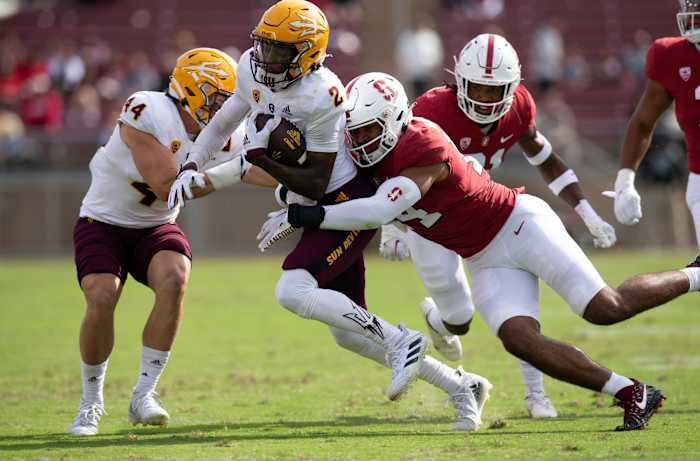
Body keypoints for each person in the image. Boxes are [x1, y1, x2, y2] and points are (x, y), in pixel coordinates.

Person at [259, 71, 700, 431]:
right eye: (355, 132)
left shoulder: (421, 143)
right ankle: (631, 392)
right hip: (482, 254)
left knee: (606, 307)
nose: (360, 143)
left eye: (370, 131)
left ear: (394, 120)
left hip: (519, 224)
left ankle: (696, 274)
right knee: (518, 339)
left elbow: (376, 208)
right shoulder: (366, 150)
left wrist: (303, 218)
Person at [169, 0, 490, 430]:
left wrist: (263, 160)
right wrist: (193, 164)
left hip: (344, 198)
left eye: (281, 51)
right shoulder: (250, 68)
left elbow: (317, 183)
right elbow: (225, 122)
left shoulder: (323, 93)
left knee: (293, 291)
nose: (267, 59)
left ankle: (401, 342)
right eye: (265, 46)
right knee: (346, 331)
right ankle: (461, 387)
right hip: (314, 196)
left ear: (307, 53)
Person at [378, 33, 617, 419]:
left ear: (513, 87)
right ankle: (438, 321)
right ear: (458, 80)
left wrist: (585, 208)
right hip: (431, 220)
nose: (487, 99)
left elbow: (543, 154)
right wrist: (393, 225)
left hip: (486, 213)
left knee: (520, 304)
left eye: (496, 91)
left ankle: (536, 394)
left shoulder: (519, 106)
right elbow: (392, 165)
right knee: (459, 319)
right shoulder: (431, 108)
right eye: (479, 89)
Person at [69, 47, 275, 436]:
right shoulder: (148, 112)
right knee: (101, 296)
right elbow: (167, 187)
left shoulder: (228, 136)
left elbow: (260, 170)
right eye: (217, 97)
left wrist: (303, 191)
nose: (223, 109)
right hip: (104, 221)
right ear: (192, 90)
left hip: (154, 226)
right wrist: (232, 173)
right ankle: (90, 401)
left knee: (175, 278)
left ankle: (144, 394)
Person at [609, 0, 700, 249]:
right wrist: (624, 181)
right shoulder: (670, 56)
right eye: (692, 14)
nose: (694, 21)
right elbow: (642, 123)